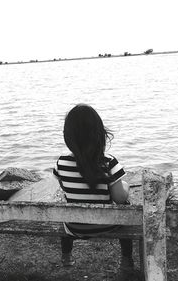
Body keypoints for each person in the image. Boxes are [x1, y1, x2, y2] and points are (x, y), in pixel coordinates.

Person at [53, 104, 134, 275]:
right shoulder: (109, 162)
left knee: (66, 211)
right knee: (125, 209)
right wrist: (125, 187)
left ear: (69, 136)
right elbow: (119, 198)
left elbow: (64, 187)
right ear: (99, 134)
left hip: (74, 226)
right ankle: (127, 260)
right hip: (106, 224)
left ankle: (66, 257)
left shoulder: (61, 163)